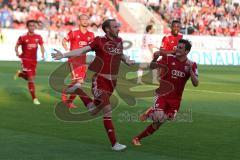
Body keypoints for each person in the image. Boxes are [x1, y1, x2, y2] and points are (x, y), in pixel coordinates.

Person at [52, 19, 134, 151]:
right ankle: (114, 144)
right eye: (115, 27)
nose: (118, 28)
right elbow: (82, 50)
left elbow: (120, 54)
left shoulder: (119, 41)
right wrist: (63, 54)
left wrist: (127, 60)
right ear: (107, 29)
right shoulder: (99, 41)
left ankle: (78, 90)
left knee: (93, 111)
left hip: (113, 82)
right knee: (107, 109)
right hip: (100, 81)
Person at [132, 39, 199, 146]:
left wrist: (191, 71)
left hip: (175, 99)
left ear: (186, 51)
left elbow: (196, 83)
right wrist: (154, 58)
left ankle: (137, 138)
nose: (177, 49)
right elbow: (152, 67)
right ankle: (151, 112)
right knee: (159, 116)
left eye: (180, 48)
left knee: (159, 122)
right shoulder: (168, 59)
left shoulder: (192, 65)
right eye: (177, 46)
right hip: (163, 94)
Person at [61, 14, 94, 108]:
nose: (85, 21)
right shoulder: (73, 32)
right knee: (78, 81)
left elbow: (93, 46)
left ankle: (69, 101)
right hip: (74, 60)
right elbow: (64, 41)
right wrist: (67, 49)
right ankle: (64, 93)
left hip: (83, 61)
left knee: (79, 83)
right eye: (83, 19)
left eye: (87, 19)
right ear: (79, 21)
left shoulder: (91, 35)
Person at [14, 20, 45, 105]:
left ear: (35, 27)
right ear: (27, 27)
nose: (32, 27)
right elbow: (16, 46)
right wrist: (17, 52)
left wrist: (42, 53)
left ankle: (20, 74)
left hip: (34, 60)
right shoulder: (23, 37)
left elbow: (42, 45)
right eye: (30, 26)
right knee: (31, 79)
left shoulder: (38, 37)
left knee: (30, 78)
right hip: (25, 60)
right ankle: (34, 98)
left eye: (33, 26)